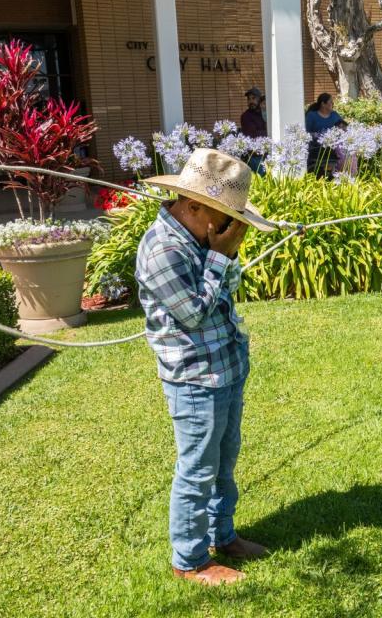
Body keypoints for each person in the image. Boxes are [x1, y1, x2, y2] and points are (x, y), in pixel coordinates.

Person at [136, 148, 277, 586]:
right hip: (195, 378)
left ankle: (223, 535)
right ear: (192, 204)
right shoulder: (162, 249)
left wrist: (223, 254)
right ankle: (190, 560)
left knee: (223, 463)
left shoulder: (204, 238)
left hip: (227, 367)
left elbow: (226, 288)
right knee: (197, 468)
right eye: (222, 216)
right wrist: (222, 255)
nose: (227, 227)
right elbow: (194, 313)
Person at [305, 92, 346, 175]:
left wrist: (341, 128)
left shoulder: (334, 115)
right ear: (323, 104)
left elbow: (343, 125)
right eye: (331, 102)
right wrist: (317, 136)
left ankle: (342, 174)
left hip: (332, 146)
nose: (333, 104)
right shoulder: (311, 116)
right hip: (316, 146)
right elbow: (306, 132)